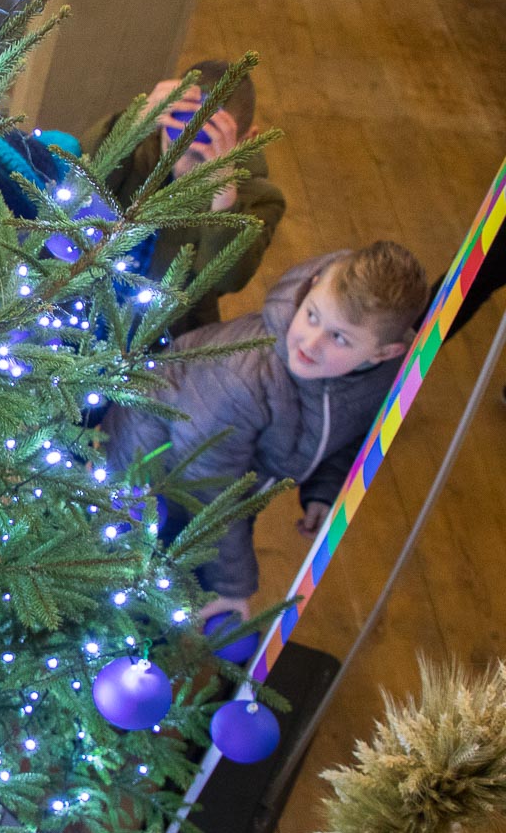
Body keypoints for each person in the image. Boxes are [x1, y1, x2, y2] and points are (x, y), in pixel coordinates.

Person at [104, 243, 431, 620]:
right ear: (313, 284)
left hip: (234, 488)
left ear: (382, 354)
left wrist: (323, 489)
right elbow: (208, 493)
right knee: (135, 589)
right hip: (151, 482)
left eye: (339, 338)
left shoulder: (388, 374)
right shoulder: (243, 375)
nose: (310, 343)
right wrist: (233, 587)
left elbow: (352, 423)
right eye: (312, 316)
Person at [80, 60, 287, 332]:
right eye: (173, 146)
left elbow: (229, 279)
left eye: (199, 156)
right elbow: (81, 185)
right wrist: (133, 124)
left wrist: (223, 195)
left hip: (165, 329)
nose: (180, 167)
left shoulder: (261, 198)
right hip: (85, 294)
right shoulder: (140, 147)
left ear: (246, 140)